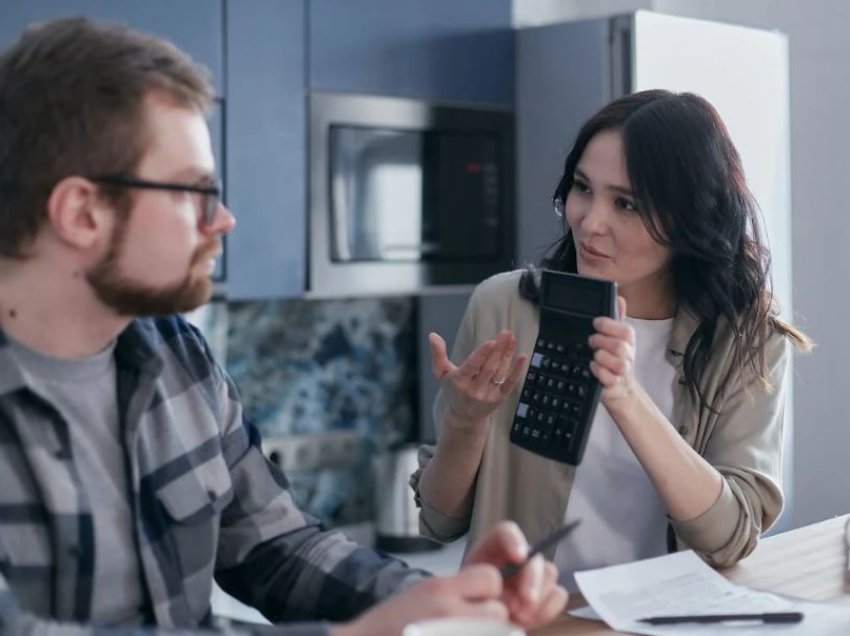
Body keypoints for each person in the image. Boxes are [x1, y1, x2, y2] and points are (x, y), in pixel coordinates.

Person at [0, 16, 568, 635]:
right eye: (196, 193)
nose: (224, 221)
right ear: (83, 212)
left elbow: (277, 548)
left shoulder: (176, 358)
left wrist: (439, 599)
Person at [412, 89, 812, 589]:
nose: (589, 221)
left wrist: (624, 393)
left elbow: (729, 537)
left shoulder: (748, 342)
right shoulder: (504, 307)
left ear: (690, 218)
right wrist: (465, 424)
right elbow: (440, 519)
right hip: (528, 623)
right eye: (583, 188)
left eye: (625, 203)